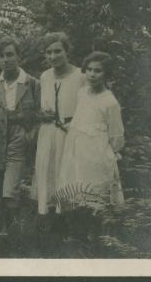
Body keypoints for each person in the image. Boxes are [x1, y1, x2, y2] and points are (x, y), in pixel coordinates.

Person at [0, 37, 41, 232]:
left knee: (10, 190)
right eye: (1, 56)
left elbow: (41, 114)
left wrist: (30, 135)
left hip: (19, 138)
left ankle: (10, 234)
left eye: (10, 54)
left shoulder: (32, 84)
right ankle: (1, 232)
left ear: (19, 57)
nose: (6, 59)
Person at [56, 51, 125, 212]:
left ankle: (97, 231)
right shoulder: (82, 93)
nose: (92, 74)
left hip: (97, 156)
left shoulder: (110, 102)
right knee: (75, 192)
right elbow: (80, 119)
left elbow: (116, 136)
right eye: (89, 69)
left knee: (95, 196)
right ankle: (77, 231)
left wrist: (107, 154)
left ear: (106, 74)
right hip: (76, 152)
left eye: (98, 71)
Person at [31, 32, 86, 219]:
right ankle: (51, 220)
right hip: (48, 134)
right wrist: (43, 115)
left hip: (71, 134)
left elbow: (88, 107)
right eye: (48, 52)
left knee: (70, 175)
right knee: (49, 172)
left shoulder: (81, 76)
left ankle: (71, 219)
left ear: (67, 51)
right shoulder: (45, 77)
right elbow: (44, 107)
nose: (52, 56)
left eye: (57, 51)